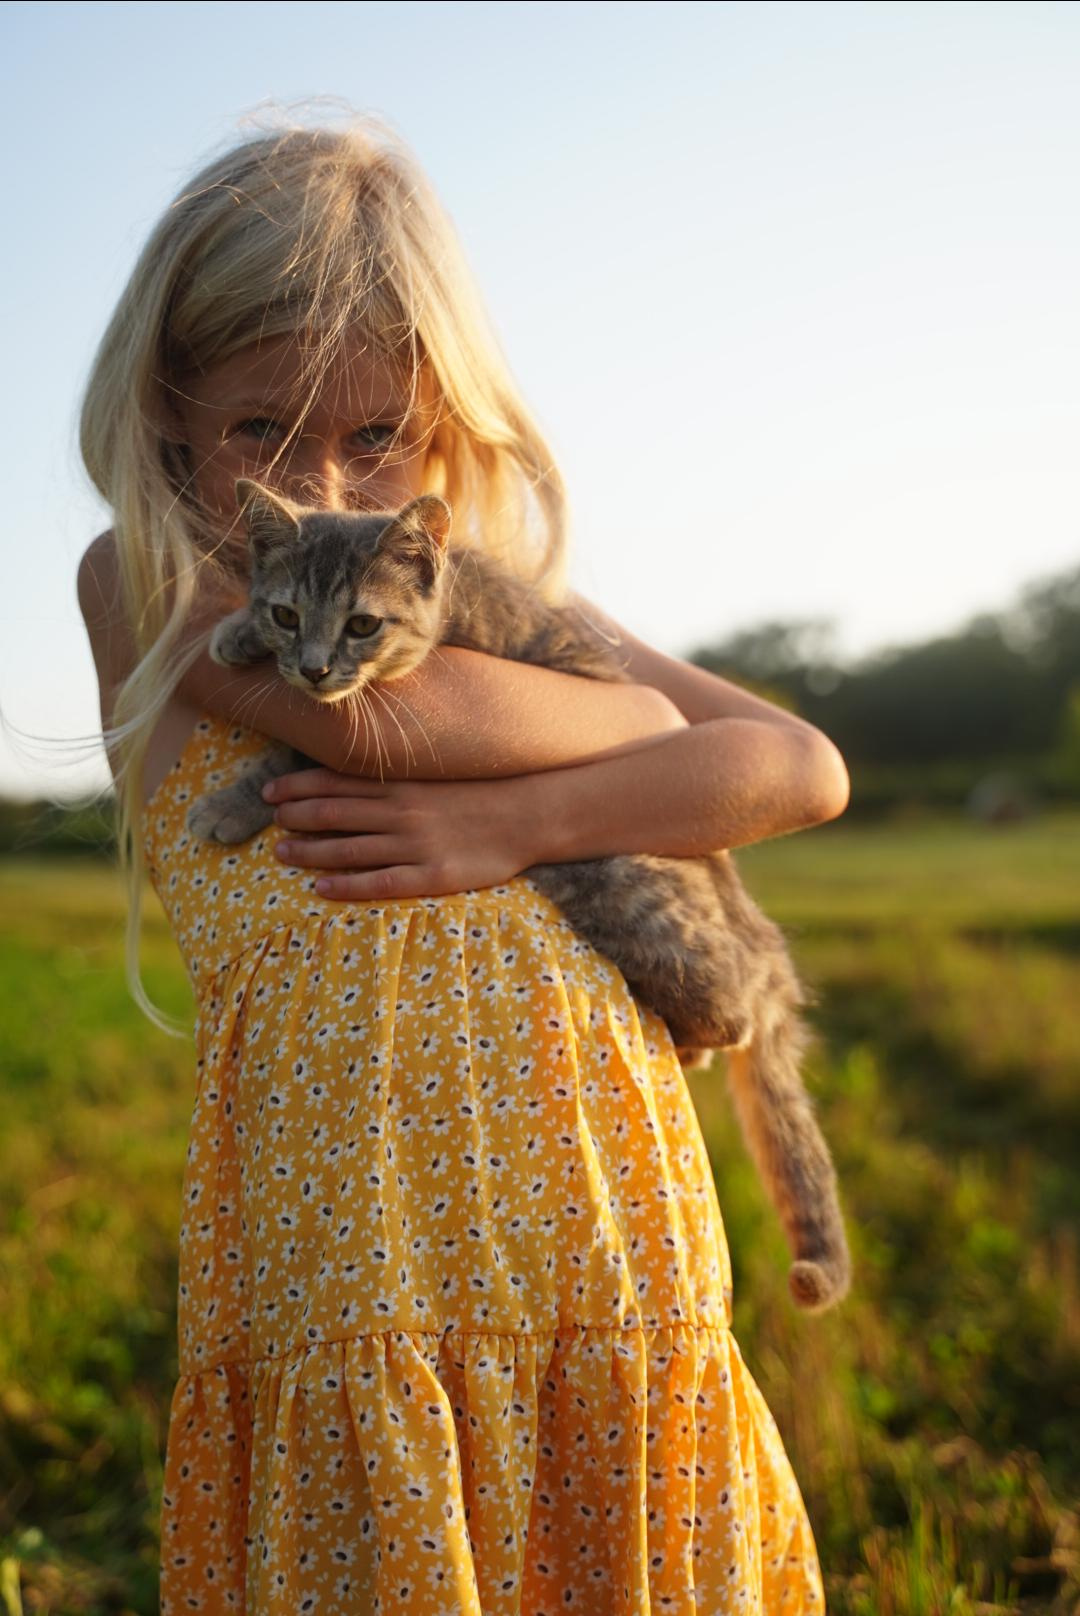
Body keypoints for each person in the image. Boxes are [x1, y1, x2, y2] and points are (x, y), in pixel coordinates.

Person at [77, 117, 846, 1615]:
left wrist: (517, 825)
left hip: (610, 1250)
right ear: (167, 407)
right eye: (260, 431)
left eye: (377, 437)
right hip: (360, 1276)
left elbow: (798, 768)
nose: (320, 486)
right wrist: (639, 733)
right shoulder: (156, 581)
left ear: (444, 425)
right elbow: (385, 730)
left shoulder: (488, 593)